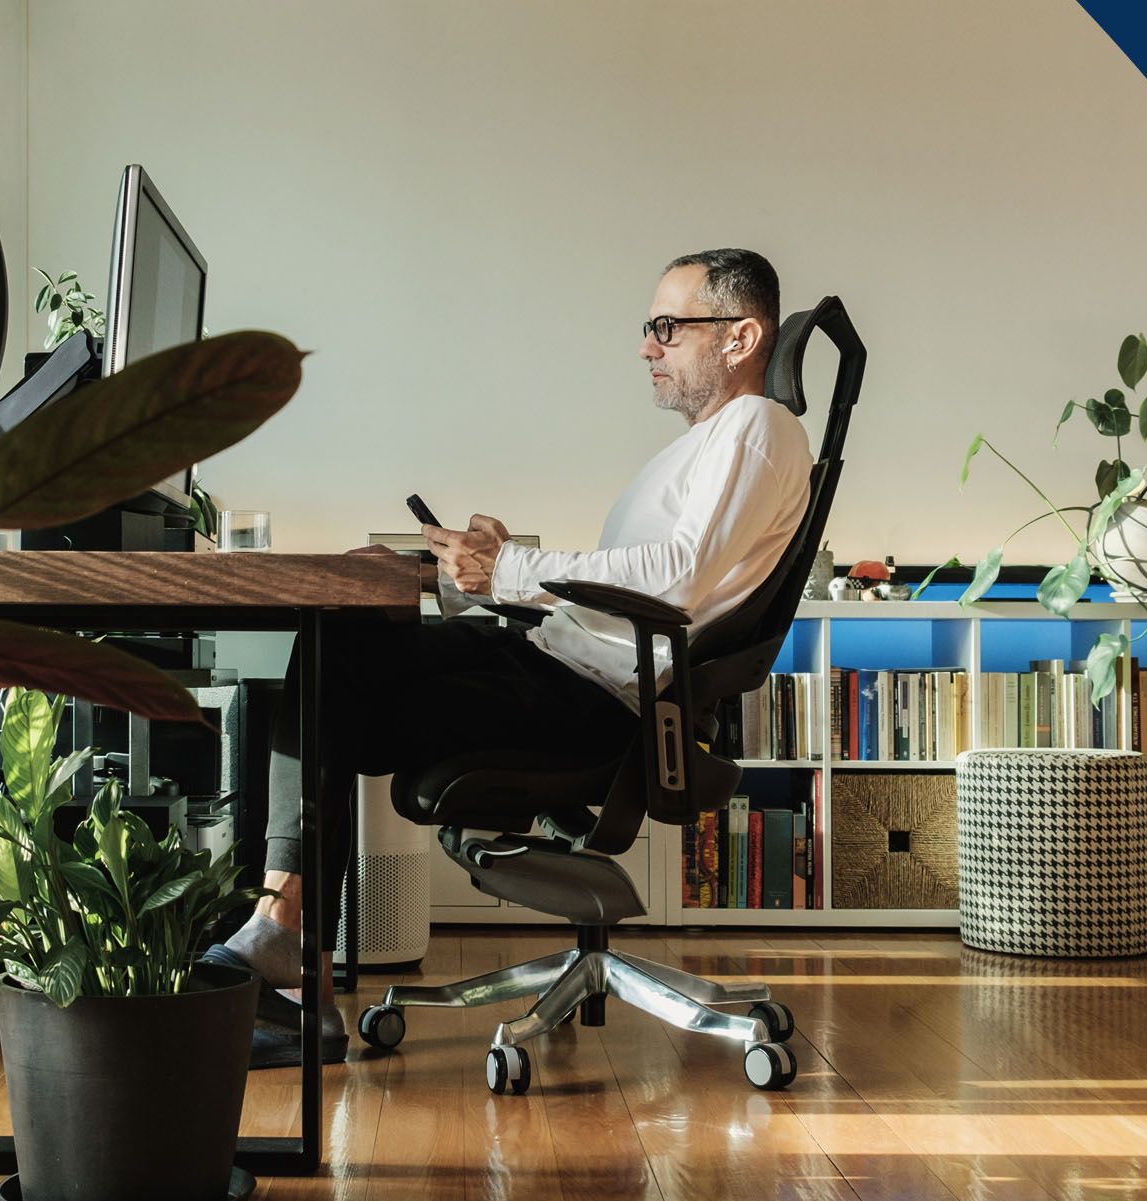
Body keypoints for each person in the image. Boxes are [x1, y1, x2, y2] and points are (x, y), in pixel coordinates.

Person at [204, 249, 811, 1065]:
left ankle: (286, 949)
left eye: (668, 327)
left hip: (592, 702)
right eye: (649, 328)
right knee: (336, 637)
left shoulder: (758, 428)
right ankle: (289, 949)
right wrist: (471, 578)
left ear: (740, 337)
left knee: (334, 673)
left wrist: (513, 570)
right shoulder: (697, 449)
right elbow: (612, 599)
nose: (647, 346)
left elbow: (674, 579)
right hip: (550, 659)